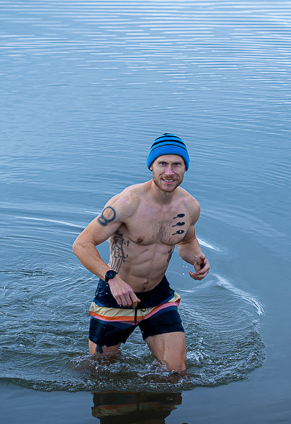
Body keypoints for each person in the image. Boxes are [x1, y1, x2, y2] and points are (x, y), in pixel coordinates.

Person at [72, 133, 210, 373]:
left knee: (175, 372)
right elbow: (82, 244)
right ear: (151, 166)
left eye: (176, 164)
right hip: (116, 295)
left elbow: (187, 240)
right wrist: (112, 279)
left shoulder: (190, 207)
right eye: (162, 164)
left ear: (185, 167)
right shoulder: (127, 203)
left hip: (158, 295)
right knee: (100, 372)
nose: (169, 172)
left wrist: (196, 257)